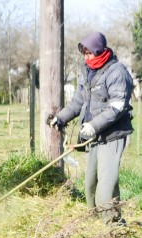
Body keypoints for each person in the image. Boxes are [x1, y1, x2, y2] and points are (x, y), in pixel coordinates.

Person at [47, 32, 134, 225]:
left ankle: (114, 227)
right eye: (83, 53)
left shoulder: (117, 72)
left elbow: (117, 107)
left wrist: (94, 126)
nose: (86, 57)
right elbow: (78, 101)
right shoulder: (87, 70)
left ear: (99, 50)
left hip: (112, 135)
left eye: (89, 53)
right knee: (90, 187)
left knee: (105, 190)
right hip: (94, 137)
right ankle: (97, 225)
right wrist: (60, 118)